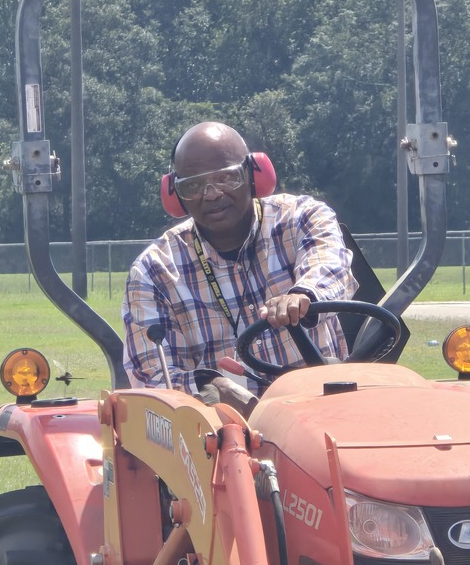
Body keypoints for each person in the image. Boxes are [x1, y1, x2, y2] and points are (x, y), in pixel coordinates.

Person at [122, 121, 358, 416]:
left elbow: (328, 266)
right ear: (175, 195)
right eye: (193, 186)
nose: (211, 194)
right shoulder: (153, 270)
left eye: (226, 178)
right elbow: (153, 378)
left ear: (253, 174)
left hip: (323, 414)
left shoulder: (302, 218)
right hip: (224, 439)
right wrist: (205, 389)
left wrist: (303, 295)